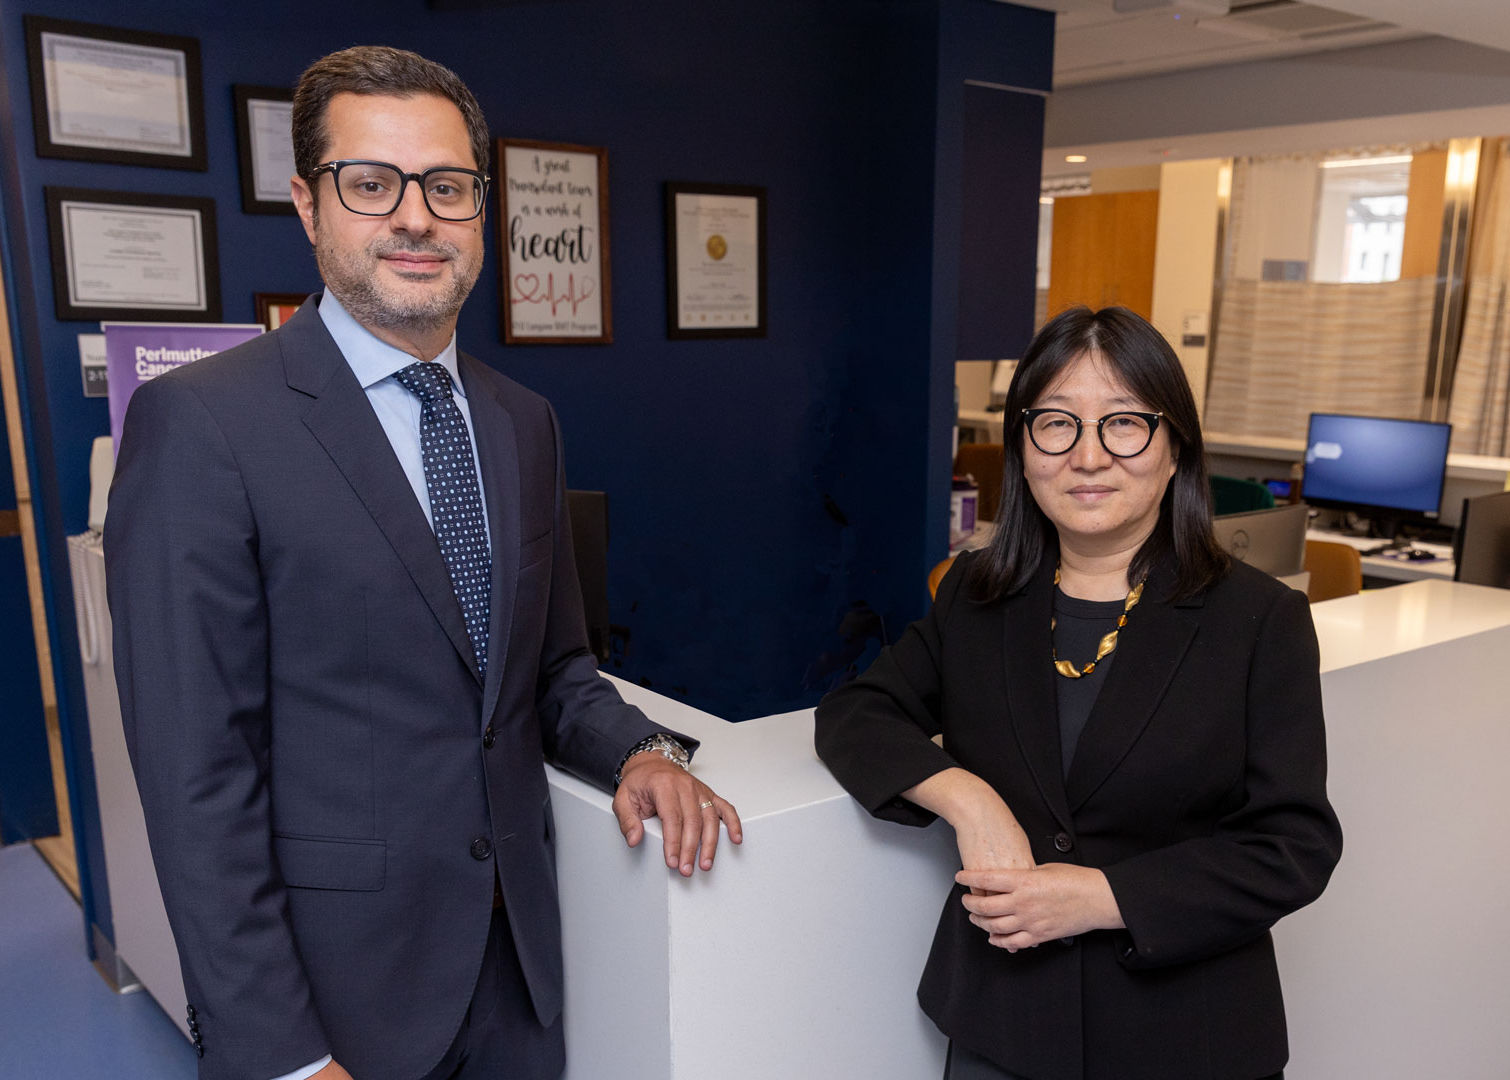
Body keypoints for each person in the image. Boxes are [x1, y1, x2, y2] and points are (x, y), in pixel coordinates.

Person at [106, 46, 741, 1080]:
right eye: (371, 183)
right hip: (333, 1004)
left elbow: (551, 670)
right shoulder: (203, 425)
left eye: (447, 186)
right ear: (308, 206)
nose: (415, 217)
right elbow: (195, 781)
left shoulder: (522, 421)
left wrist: (640, 753)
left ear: (480, 209)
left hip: (516, 977)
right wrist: (283, 1056)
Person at [814, 306, 1340, 1080]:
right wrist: (971, 801)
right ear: (1023, 449)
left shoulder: (1260, 620)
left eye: (1124, 423)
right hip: (1004, 1026)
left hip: (1186, 1038)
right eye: (1056, 424)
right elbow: (857, 712)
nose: (1088, 457)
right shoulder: (978, 594)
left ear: (1174, 447)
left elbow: (1292, 846)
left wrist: (1104, 897)